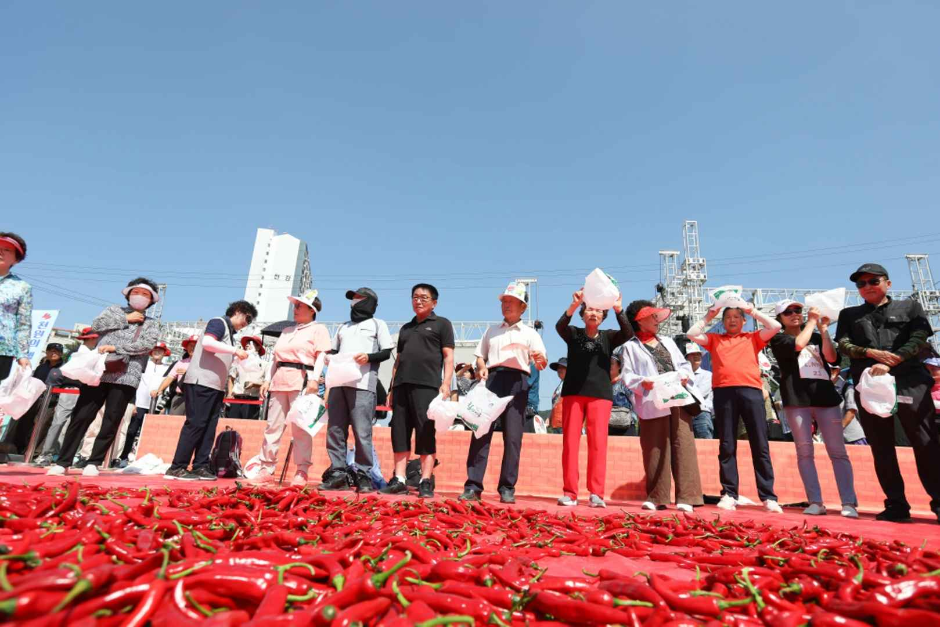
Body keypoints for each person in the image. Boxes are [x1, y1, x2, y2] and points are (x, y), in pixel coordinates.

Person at [836, 263, 940, 523]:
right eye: (861, 284)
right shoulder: (849, 314)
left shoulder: (910, 308)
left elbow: (919, 338)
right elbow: (844, 345)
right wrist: (870, 354)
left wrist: (892, 360)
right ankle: (896, 505)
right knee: (881, 447)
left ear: (888, 283)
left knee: (926, 443)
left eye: (873, 281)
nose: (867, 287)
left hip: (909, 381)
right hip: (870, 384)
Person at [48, 279, 161, 477]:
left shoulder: (152, 324)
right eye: (136, 292)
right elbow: (97, 326)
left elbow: (147, 345)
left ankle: (95, 461)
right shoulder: (114, 311)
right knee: (82, 415)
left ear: (152, 300)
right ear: (127, 294)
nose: (140, 297)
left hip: (127, 373)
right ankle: (64, 461)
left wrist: (116, 348)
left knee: (112, 418)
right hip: (98, 370)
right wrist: (126, 319)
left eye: (146, 294)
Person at [687, 301, 783, 513]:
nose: (732, 320)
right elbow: (692, 333)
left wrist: (751, 310)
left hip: (751, 391)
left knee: (760, 443)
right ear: (722, 322)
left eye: (736, 317)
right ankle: (730, 493)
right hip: (723, 392)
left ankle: (768, 496)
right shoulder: (714, 339)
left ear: (744, 321)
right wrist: (709, 315)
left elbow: (775, 326)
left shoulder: (752, 338)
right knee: (727, 444)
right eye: (728, 317)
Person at [769, 300, 858, 518]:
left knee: (838, 451)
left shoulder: (817, 336)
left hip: (825, 397)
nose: (794, 314)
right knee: (805, 452)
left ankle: (849, 502)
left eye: (797, 310)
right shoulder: (779, 338)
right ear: (780, 318)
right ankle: (816, 501)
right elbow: (798, 344)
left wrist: (824, 330)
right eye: (787, 312)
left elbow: (831, 357)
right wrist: (811, 322)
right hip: (797, 400)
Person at [460, 282, 547, 504]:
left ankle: (507, 487)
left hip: (518, 382)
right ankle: (473, 486)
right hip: (493, 381)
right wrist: (481, 366)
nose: (506, 305)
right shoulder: (492, 330)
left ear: (523, 307)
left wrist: (540, 359)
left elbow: (541, 360)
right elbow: (480, 356)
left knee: (513, 438)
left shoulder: (530, 334)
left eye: (511, 302)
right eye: (504, 302)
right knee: (480, 433)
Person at [621, 301, 703, 512]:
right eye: (652, 317)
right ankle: (657, 496)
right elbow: (627, 376)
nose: (657, 320)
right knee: (654, 448)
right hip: (653, 400)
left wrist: (685, 376)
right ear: (639, 320)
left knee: (683, 445)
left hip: (678, 398)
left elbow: (684, 366)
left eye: (657, 316)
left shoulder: (667, 341)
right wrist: (642, 382)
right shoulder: (630, 346)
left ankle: (687, 496)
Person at [555, 288, 633, 508]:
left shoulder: (609, 337)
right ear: (582, 314)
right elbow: (559, 326)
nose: (593, 314)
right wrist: (574, 304)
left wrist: (619, 309)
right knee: (570, 443)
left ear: (603, 316)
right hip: (573, 394)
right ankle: (570, 493)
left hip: (601, 396)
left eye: (598, 311)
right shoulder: (573, 334)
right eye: (589, 309)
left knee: (598, 444)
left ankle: (596, 493)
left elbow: (628, 334)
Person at [243, 290, 331, 485]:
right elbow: (275, 359)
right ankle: (266, 468)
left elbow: (321, 357)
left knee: (300, 428)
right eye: (295, 305)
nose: (295, 309)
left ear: (312, 309)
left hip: (301, 379)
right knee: (272, 427)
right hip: (279, 380)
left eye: (299, 306)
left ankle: (302, 471)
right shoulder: (286, 331)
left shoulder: (319, 329)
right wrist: (267, 380)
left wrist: (314, 380)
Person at [164, 300, 257, 481]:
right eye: (247, 318)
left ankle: (200, 466)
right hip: (201, 382)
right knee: (196, 424)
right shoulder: (218, 322)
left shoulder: (231, 335)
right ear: (238, 311)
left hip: (215, 386)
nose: (247, 324)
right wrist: (235, 351)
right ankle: (178, 466)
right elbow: (207, 342)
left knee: (209, 428)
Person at [381, 283, 455, 499]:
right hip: (402, 386)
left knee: (425, 432)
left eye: (424, 297)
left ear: (434, 303)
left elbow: (449, 355)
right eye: (415, 297)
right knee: (400, 432)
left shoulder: (442, 324)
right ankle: (400, 479)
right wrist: (391, 388)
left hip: (427, 386)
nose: (418, 301)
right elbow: (399, 361)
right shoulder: (405, 328)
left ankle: (425, 481)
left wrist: (446, 383)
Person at [319, 287, 393, 493]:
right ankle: (338, 472)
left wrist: (368, 357)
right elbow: (334, 351)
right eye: (352, 299)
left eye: (359, 298)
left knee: (362, 432)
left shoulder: (378, 324)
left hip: (363, 383)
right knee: (335, 429)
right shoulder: (343, 327)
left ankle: (363, 474)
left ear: (370, 302)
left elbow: (386, 352)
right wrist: (327, 357)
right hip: (338, 383)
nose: (354, 302)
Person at [35, 328, 100, 466]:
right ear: (88, 338)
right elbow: (73, 372)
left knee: (78, 424)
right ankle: (46, 454)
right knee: (59, 422)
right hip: (71, 388)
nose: (95, 340)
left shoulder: (98, 352)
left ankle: (66, 454)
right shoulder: (75, 352)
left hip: (89, 390)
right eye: (93, 338)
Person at [0, 343, 65, 455]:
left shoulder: (64, 369)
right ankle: (18, 450)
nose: (53, 353)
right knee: (24, 424)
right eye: (51, 350)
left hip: (51, 402)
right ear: (47, 352)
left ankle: (35, 453)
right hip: (33, 400)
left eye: (57, 351)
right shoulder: (41, 367)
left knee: (42, 427)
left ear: (61, 353)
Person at [117, 342, 169, 465]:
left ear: (164, 353)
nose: (157, 352)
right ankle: (124, 457)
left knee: (151, 434)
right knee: (131, 431)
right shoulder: (144, 365)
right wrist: (133, 402)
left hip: (156, 406)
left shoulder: (167, 368)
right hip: (139, 403)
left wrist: (163, 406)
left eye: (160, 350)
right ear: (151, 352)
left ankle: (146, 459)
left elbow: (167, 389)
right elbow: (135, 383)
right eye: (155, 350)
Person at [0, 232, 31, 382]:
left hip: (3, 349)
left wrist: (22, 354)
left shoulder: (22, 287)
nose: (1, 252)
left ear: (16, 259)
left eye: (7, 250)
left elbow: (23, 324)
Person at [155, 336, 196, 415]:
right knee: (173, 424)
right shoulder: (180, 363)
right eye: (191, 345)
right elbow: (170, 377)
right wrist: (159, 390)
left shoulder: (204, 364)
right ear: (186, 348)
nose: (193, 348)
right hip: (179, 398)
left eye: (196, 346)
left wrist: (188, 373)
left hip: (196, 398)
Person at [227, 336, 266, 420]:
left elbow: (266, 383)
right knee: (232, 425)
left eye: (250, 343)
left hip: (252, 400)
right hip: (237, 398)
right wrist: (229, 394)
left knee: (248, 427)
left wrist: (254, 384)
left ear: (258, 347)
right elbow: (231, 377)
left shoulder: (264, 364)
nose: (247, 346)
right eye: (246, 344)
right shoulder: (238, 360)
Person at [830, 366, 867, 445]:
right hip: (834, 439)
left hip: (853, 438)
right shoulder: (825, 389)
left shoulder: (848, 388)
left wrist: (839, 429)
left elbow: (851, 412)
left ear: (836, 371)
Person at [684, 344, 715, 439]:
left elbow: (699, 394)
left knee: (706, 447)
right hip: (685, 416)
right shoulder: (682, 376)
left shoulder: (708, 375)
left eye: (699, 354)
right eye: (693, 354)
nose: (697, 356)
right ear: (687, 358)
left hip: (701, 414)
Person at [608, 349, 637, 437]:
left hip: (626, 427)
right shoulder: (602, 385)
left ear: (619, 366)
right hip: (607, 426)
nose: (608, 366)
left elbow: (635, 404)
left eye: (611, 363)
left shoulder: (625, 383)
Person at [548, 358, 567, 434]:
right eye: (558, 368)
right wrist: (549, 419)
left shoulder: (572, 385)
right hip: (556, 424)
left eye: (563, 367)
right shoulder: (559, 386)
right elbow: (555, 405)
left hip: (565, 423)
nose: (559, 370)